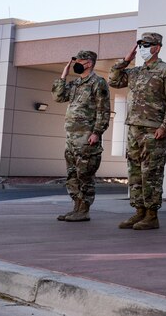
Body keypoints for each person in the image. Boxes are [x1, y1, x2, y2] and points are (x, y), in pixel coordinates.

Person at [108, 32, 166, 230]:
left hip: (153, 129)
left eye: (146, 45)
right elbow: (113, 81)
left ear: (157, 47)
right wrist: (125, 61)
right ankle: (139, 211)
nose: (142, 49)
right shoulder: (135, 72)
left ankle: (151, 215)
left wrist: (165, 126)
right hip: (133, 128)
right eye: (139, 45)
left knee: (152, 173)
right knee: (134, 173)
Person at [51, 50, 110, 222]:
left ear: (89, 63)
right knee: (72, 175)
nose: (76, 62)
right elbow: (58, 96)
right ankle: (76, 208)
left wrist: (97, 132)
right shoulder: (75, 83)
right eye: (75, 60)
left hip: (87, 137)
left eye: (80, 60)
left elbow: (103, 109)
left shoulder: (98, 83)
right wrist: (64, 75)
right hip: (71, 137)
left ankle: (84, 210)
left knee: (85, 174)